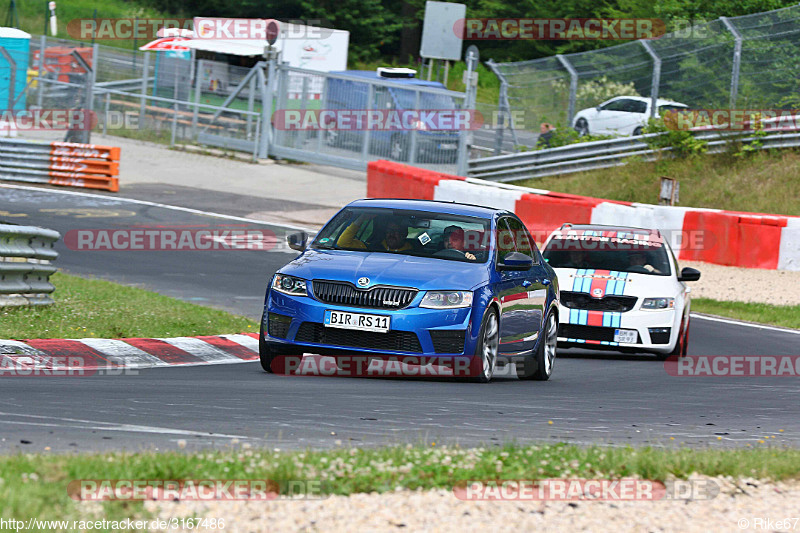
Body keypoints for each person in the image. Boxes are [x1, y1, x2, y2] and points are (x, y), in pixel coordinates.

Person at [337, 214, 412, 252]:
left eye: (396, 231)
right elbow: (342, 243)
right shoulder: (373, 246)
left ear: (404, 234)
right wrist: (361, 219)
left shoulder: (413, 251)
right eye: (389, 230)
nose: (391, 234)